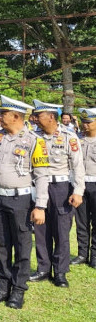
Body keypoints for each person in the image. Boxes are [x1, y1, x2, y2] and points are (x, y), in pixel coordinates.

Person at [0, 95, 49, 309]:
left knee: (22, 246)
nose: (0, 117)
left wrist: (41, 206)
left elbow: (41, 175)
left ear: (16, 116)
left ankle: (18, 290)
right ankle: (2, 287)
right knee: (0, 244)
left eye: (4, 114)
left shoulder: (34, 140)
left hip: (21, 201)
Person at [29, 99, 84, 288]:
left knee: (61, 231)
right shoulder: (33, 136)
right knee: (41, 229)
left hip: (61, 189)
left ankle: (60, 272)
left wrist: (78, 191)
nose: (35, 119)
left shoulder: (69, 137)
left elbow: (78, 167)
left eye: (39, 116)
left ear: (51, 117)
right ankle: (43, 268)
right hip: (39, 187)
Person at [73, 107, 96, 268]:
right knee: (81, 221)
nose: (85, 125)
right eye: (83, 122)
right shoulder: (77, 139)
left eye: (89, 122)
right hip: (80, 184)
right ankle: (82, 253)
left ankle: (94, 255)